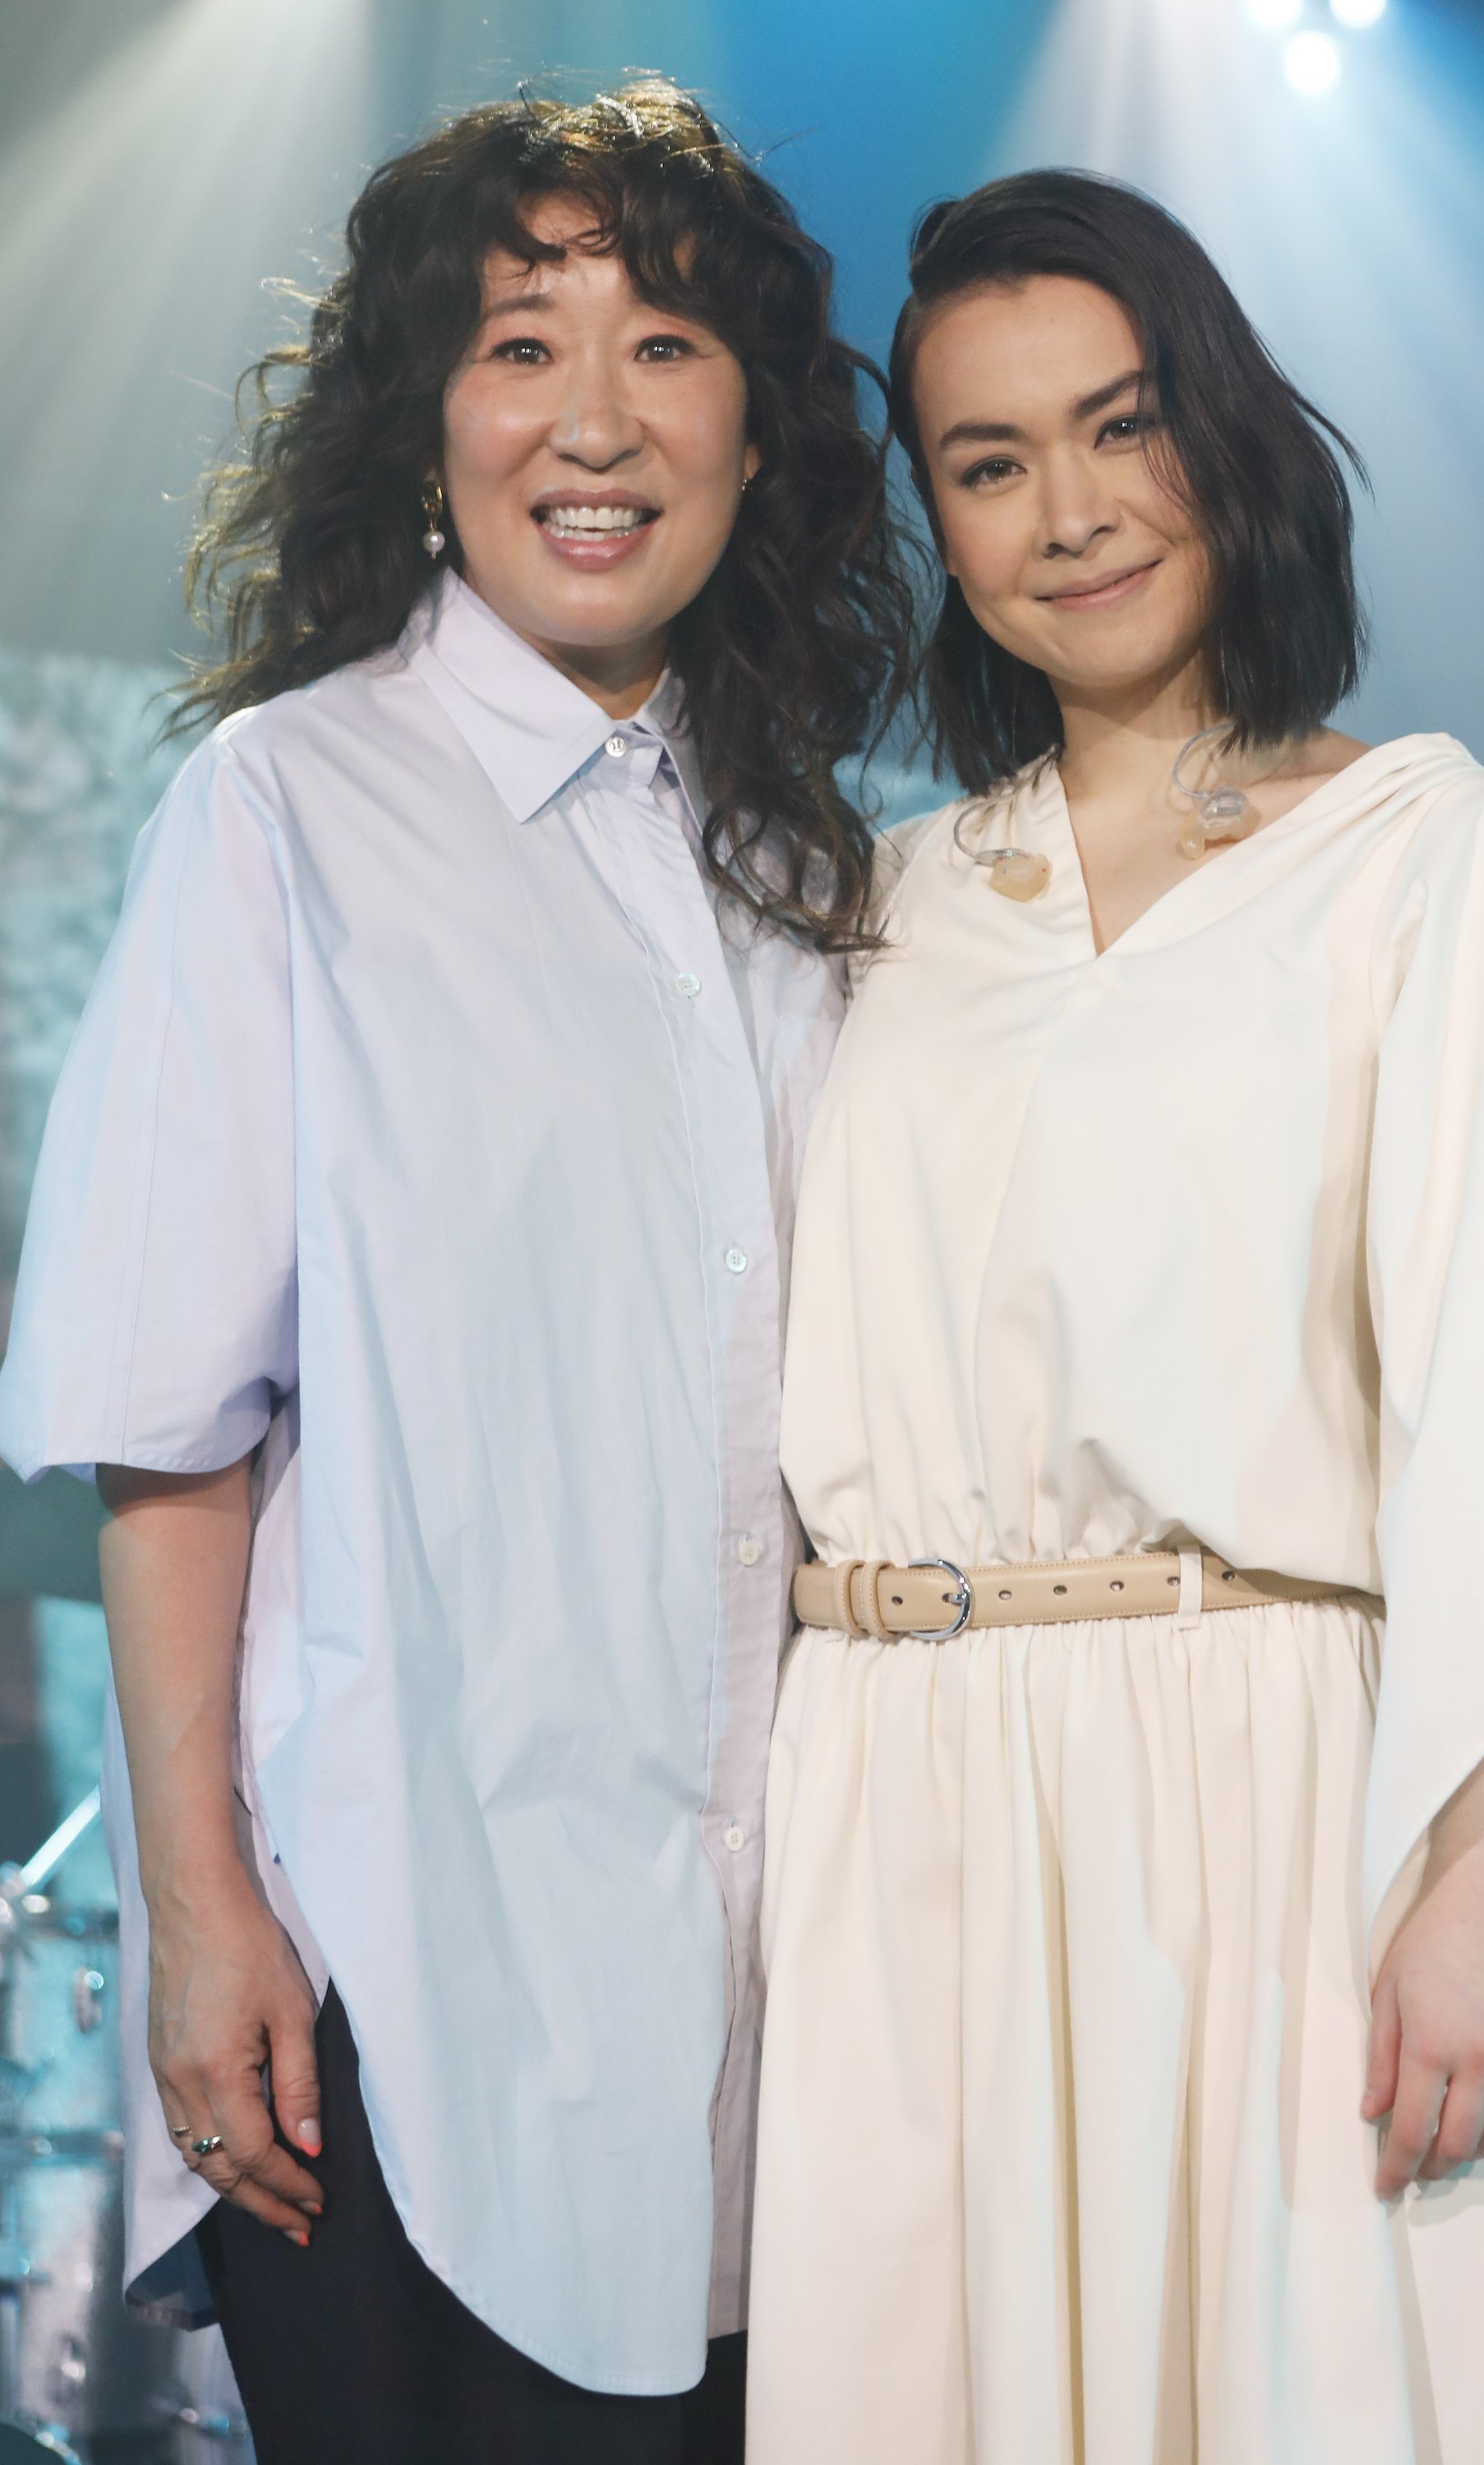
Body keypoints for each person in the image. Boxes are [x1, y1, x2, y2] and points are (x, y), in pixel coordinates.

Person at [745, 169, 1484, 2464]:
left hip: (1274, 1803)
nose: (1067, 512)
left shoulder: (1428, 863)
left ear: (1227, 438)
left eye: (1119, 425)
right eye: (988, 464)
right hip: (894, 1807)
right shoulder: (864, 913)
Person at [0, 81, 910, 2465]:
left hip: (783, 1994)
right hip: (397, 1981)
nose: (593, 422)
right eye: (520, 345)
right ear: (425, 425)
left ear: (758, 434)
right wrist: (203, 1916)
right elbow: (167, 1425)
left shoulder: (822, 867)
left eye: (670, 346)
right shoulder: (286, 810)